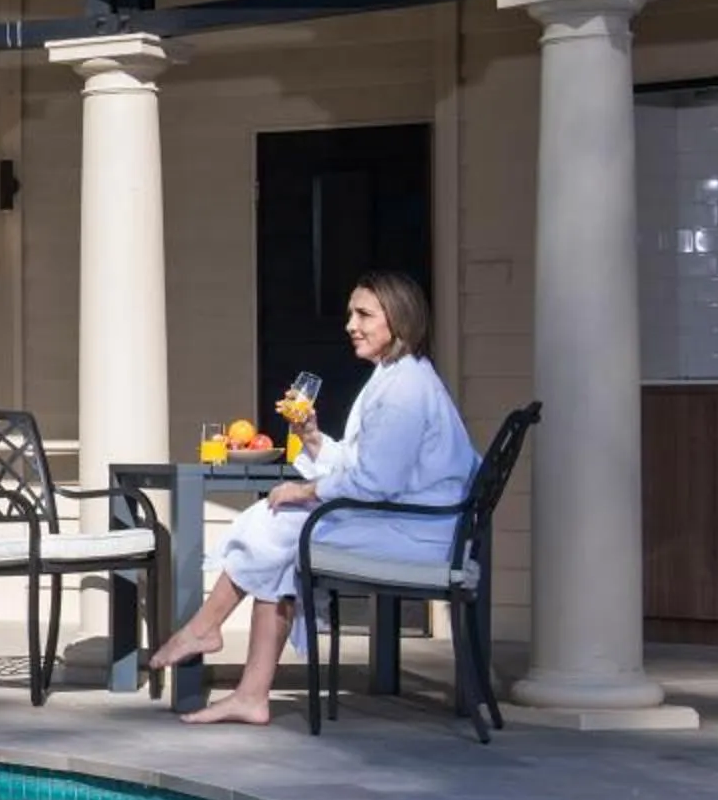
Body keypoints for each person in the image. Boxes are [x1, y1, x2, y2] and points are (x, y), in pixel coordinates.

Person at [146, 272, 478, 726]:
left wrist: (305, 489)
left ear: (398, 320)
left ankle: (209, 635)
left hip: (420, 533)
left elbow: (375, 481)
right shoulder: (394, 378)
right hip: (405, 518)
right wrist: (314, 438)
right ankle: (245, 686)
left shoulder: (405, 391)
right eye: (350, 314)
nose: (350, 325)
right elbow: (367, 465)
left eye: (363, 314)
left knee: (280, 523)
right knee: (280, 528)